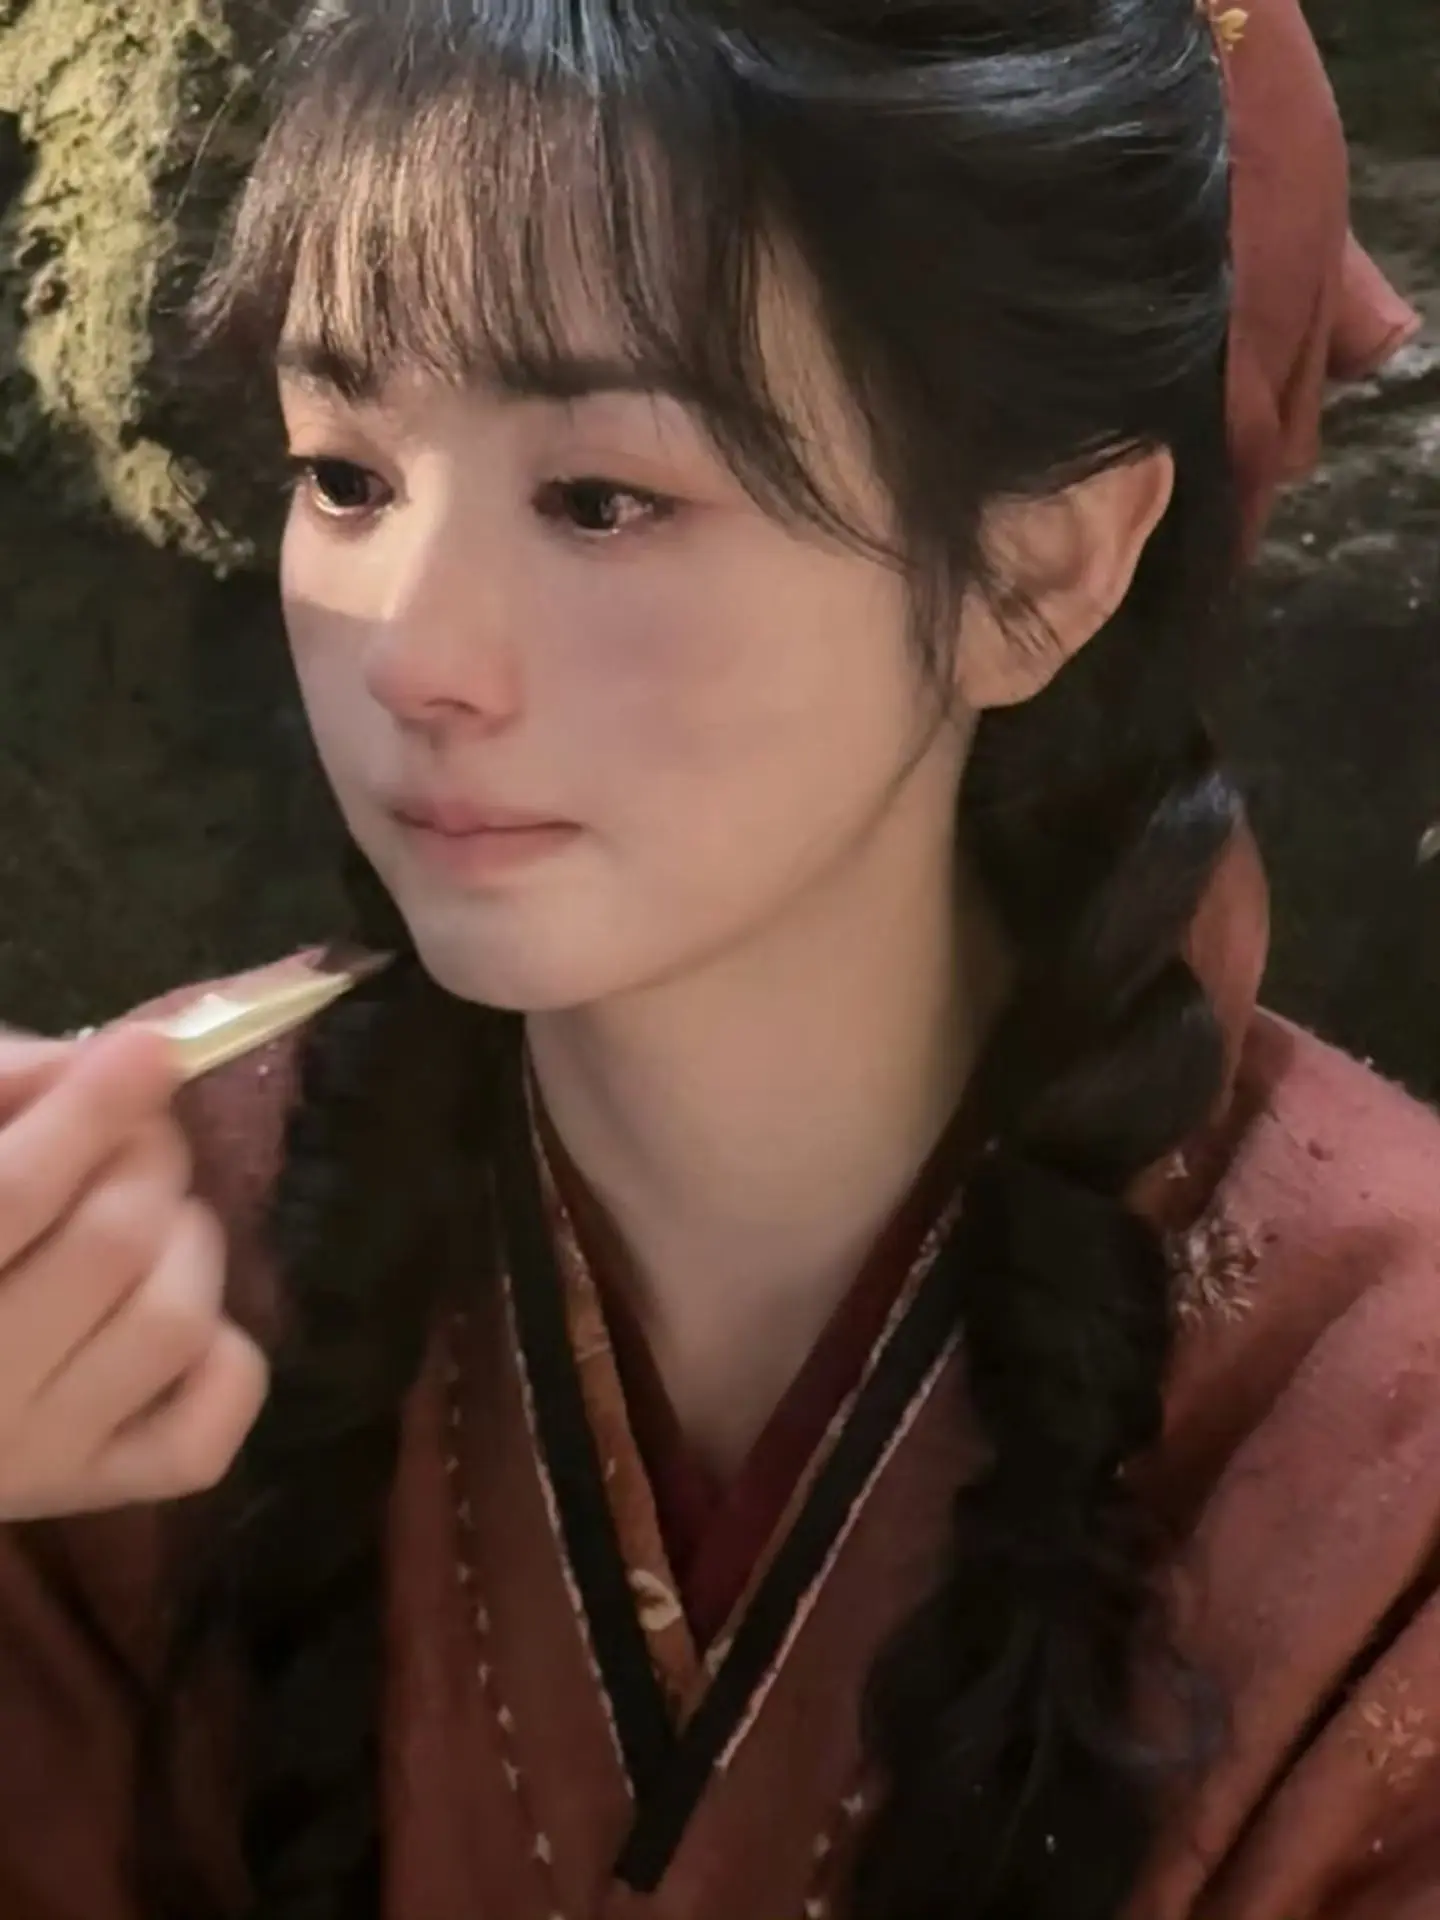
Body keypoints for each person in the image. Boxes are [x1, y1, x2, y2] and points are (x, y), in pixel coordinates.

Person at [0, 1, 1428, 1917]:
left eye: (602, 500)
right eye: (344, 476)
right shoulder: (109, 1274)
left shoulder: (1388, 1422)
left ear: (1039, 570)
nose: (411, 654)